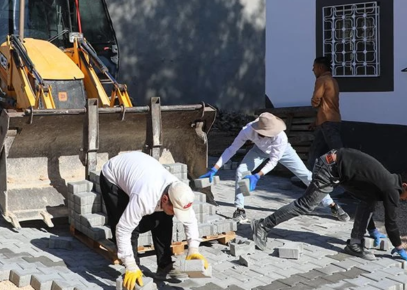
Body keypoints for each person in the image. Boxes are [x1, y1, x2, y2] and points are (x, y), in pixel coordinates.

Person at [251, 148, 407, 264]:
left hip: (337, 167)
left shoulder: (388, 182)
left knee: (368, 201)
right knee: (306, 205)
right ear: (404, 186)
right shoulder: (391, 189)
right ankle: (263, 225)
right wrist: (399, 247)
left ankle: (355, 244)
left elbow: (368, 201)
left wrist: (372, 231)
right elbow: (391, 222)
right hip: (330, 167)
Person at [199, 112, 350, 223]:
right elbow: (232, 149)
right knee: (241, 171)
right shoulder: (247, 130)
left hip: (283, 153)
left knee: (307, 176)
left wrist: (258, 175)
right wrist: (215, 168)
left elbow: (274, 160)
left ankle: (332, 205)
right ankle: (240, 209)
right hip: (258, 151)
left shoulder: (280, 137)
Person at [100, 151, 208, 289]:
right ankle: (134, 271)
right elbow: (123, 229)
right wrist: (130, 264)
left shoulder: (180, 192)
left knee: (164, 219)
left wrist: (194, 249)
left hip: (140, 170)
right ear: (164, 199)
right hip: (113, 176)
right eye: (174, 210)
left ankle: (164, 266)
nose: (176, 214)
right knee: (129, 225)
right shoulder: (144, 197)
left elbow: (191, 221)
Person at [307, 56, 343, 169]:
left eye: (314, 67)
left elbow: (316, 101)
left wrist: (314, 102)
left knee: (337, 151)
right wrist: (316, 122)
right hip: (330, 119)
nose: (313, 70)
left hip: (327, 121)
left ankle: (346, 174)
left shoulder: (321, 80)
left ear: (321, 67)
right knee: (315, 148)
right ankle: (308, 175)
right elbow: (327, 104)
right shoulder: (333, 81)